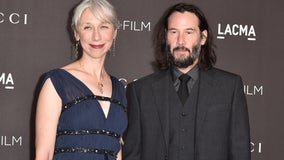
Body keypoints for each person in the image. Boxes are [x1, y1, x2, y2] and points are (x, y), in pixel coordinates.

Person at [123, 2, 251, 160]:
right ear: (166, 36)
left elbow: (240, 153)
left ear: (203, 37)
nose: (180, 41)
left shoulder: (230, 87)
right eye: (174, 32)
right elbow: (132, 155)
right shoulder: (140, 91)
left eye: (189, 32)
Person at [35, 0, 127, 160]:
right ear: (76, 34)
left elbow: (116, 150)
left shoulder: (119, 88)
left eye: (104, 26)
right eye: (87, 27)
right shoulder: (57, 81)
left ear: (115, 32)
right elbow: (44, 153)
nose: (96, 35)